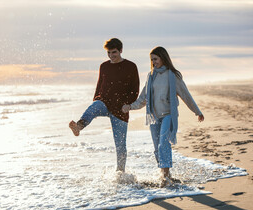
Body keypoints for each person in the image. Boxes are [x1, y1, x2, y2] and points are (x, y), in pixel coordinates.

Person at [122, 46, 204, 186]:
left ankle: (165, 178)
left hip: (168, 115)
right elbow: (143, 98)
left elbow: (185, 94)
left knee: (163, 144)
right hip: (154, 116)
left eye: (156, 59)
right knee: (156, 147)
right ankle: (166, 174)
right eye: (152, 60)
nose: (153, 62)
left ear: (163, 58)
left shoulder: (173, 75)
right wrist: (130, 107)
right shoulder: (151, 75)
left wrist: (196, 111)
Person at [69, 38, 140, 172]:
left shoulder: (131, 66)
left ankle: (120, 173)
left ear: (121, 50)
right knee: (93, 108)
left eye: (114, 52)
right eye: (108, 53)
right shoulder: (104, 66)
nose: (111, 56)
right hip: (105, 103)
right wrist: (96, 99)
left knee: (120, 145)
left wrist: (128, 105)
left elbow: (134, 89)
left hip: (120, 109)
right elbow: (99, 85)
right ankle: (79, 126)